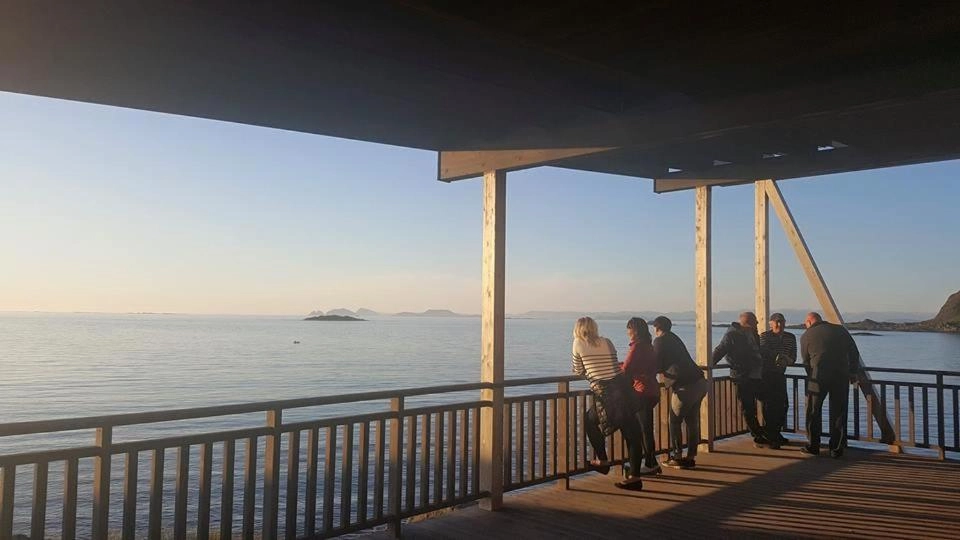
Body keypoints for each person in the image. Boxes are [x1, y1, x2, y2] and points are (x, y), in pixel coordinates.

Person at [571, 317, 645, 489]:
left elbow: (578, 369)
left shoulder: (578, 343)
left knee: (589, 421)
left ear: (578, 329)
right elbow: (614, 365)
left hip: (605, 394)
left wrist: (590, 371)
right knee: (633, 435)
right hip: (621, 389)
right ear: (594, 327)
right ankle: (635, 477)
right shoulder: (607, 341)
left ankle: (603, 460)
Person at [800, 312, 860, 457]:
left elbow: (805, 360)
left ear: (809, 322)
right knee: (839, 411)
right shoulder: (840, 330)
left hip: (818, 376)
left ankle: (813, 445)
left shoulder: (807, 335)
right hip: (841, 375)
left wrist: (811, 374)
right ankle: (836, 448)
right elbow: (854, 352)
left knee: (813, 411)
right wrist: (853, 371)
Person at [651, 316, 708, 469]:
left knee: (674, 421)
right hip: (700, 382)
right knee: (692, 421)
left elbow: (655, 364)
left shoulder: (659, 341)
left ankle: (677, 456)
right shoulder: (675, 338)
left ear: (657, 328)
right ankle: (690, 457)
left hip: (685, 386)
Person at [712, 311, 766, 446]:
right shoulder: (732, 335)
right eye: (755, 321)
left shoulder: (752, 334)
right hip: (742, 375)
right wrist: (709, 364)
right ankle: (757, 435)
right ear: (748, 322)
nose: (757, 323)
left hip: (756, 375)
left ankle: (764, 432)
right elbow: (720, 350)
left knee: (763, 402)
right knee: (748, 406)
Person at [621, 317, 661, 475]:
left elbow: (626, 369)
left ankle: (650, 464)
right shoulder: (648, 346)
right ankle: (652, 462)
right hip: (652, 390)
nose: (627, 332)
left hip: (642, 391)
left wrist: (616, 367)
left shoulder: (636, 347)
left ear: (635, 330)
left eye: (629, 329)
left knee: (644, 430)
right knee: (646, 428)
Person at [759, 312, 797, 448]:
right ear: (771, 323)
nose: (779, 324)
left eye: (782, 321)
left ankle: (775, 432)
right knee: (769, 406)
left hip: (780, 374)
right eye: (777, 321)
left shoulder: (790, 337)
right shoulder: (765, 336)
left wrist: (787, 360)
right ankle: (771, 436)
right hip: (767, 375)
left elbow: (793, 356)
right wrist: (779, 357)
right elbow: (764, 352)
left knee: (783, 405)